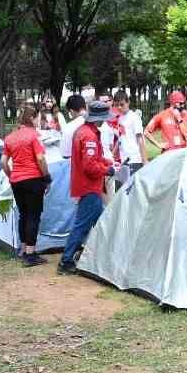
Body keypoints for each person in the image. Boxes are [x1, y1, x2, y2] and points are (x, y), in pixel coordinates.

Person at [59, 101, 115, 275]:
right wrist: (107, 169)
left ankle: (99, 255)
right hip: (89, 187)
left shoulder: (84, 131)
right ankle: (66, 260)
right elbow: (89, 166)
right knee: (82, 225)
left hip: (88, 186)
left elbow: (94, 159)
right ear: (99, 119)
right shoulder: (89, 136)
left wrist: (107, 162)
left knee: (101, 221)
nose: (106, 121)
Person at [2, 103, 51, 267]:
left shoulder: (10, 137)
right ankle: (31, 254)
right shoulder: (34, 136)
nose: (39, 120)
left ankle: (23, 249)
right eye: (38, 117)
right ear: (32, 118)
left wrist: (11, 176)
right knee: (34, 215)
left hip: (17, 181)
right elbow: (41, 159)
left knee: (23, 214)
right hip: (34, 179)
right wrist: (47, 177)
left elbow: (3, 162)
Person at [109, 91, 144, 183]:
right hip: (124, 160)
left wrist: (145, 160)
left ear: (128, 102)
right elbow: (121, 138)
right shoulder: (120, 118)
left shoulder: (134, 117)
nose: (119, 107)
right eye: (116, 105)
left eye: (122, 104)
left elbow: (140, 138)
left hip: (135, 159)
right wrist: (112, 155)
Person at [144, 91, 187, 159]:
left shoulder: (184, 114)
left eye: (183, 103)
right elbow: (146, 132)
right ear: (173, 103)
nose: (183, 105)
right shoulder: (162, 115)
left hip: (183, 153)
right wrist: (159, 145)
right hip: (169, 155)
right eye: (180, 103)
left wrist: (179, 119)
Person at [58, 94, 88, 159]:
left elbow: (66, 155)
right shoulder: (99, 122)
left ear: (71, 111)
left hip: (79, 165)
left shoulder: (69, 128)